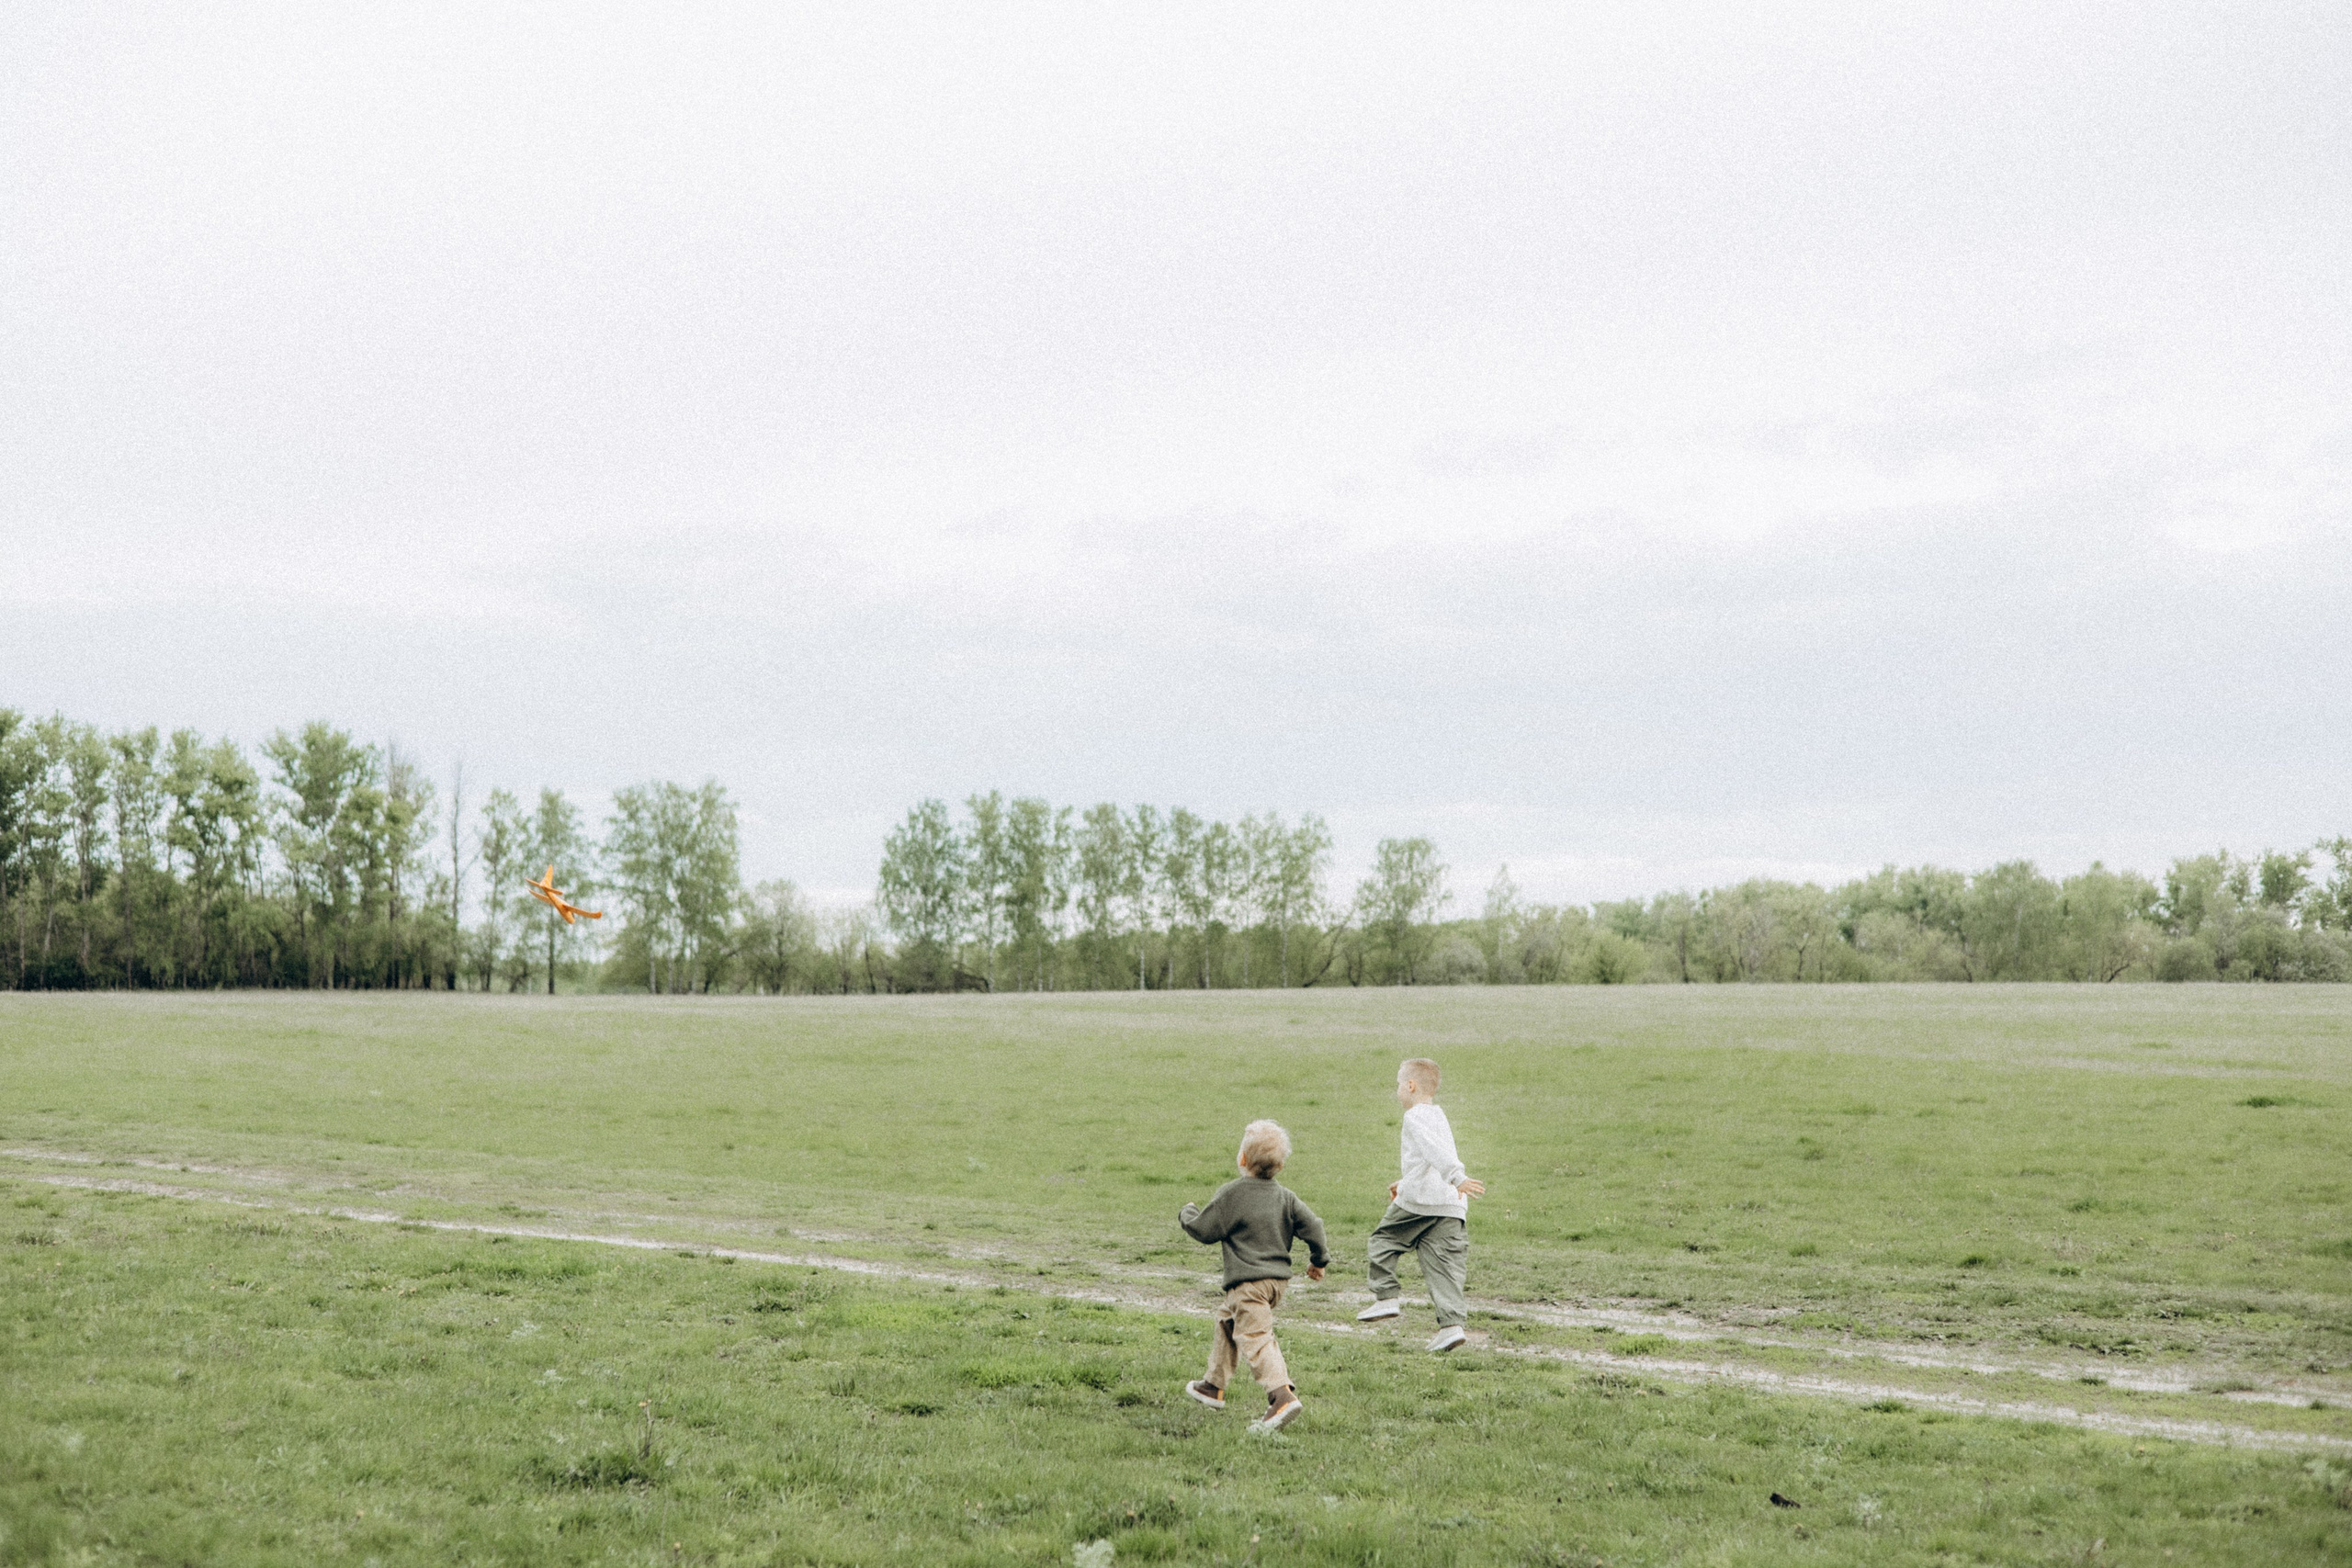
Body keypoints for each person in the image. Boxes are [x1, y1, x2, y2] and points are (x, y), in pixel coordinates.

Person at [1177, 1118, 1330, 1430]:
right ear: (1281, 1167)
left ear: (1243, 1159)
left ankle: (1281, 1396)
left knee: (1257, 1338)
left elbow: (1205, 1230)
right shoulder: (1285, 1197)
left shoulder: (1232, 1193)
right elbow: (1314, 1226)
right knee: (1227, 1320)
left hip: (1248, 1284)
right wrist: (1319, 1259)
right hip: (1276, 1283)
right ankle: (1213, 1385)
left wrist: (1187, 1213)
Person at [1356, 1056, 1485, 1351]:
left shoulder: (1414, 1116)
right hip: (1451, 1204)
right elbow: (1430, 1157)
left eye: (1399, 1085)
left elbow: (1433, 1150)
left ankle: (1386, 1298)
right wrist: (1405, 1182)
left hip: (1421, 1202)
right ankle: (1452, 1327)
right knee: (1444, 1266)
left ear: (1410, 1086)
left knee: (1383, 1241)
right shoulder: (1439, 1116)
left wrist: (1456, 1175)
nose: (1398, 1090)